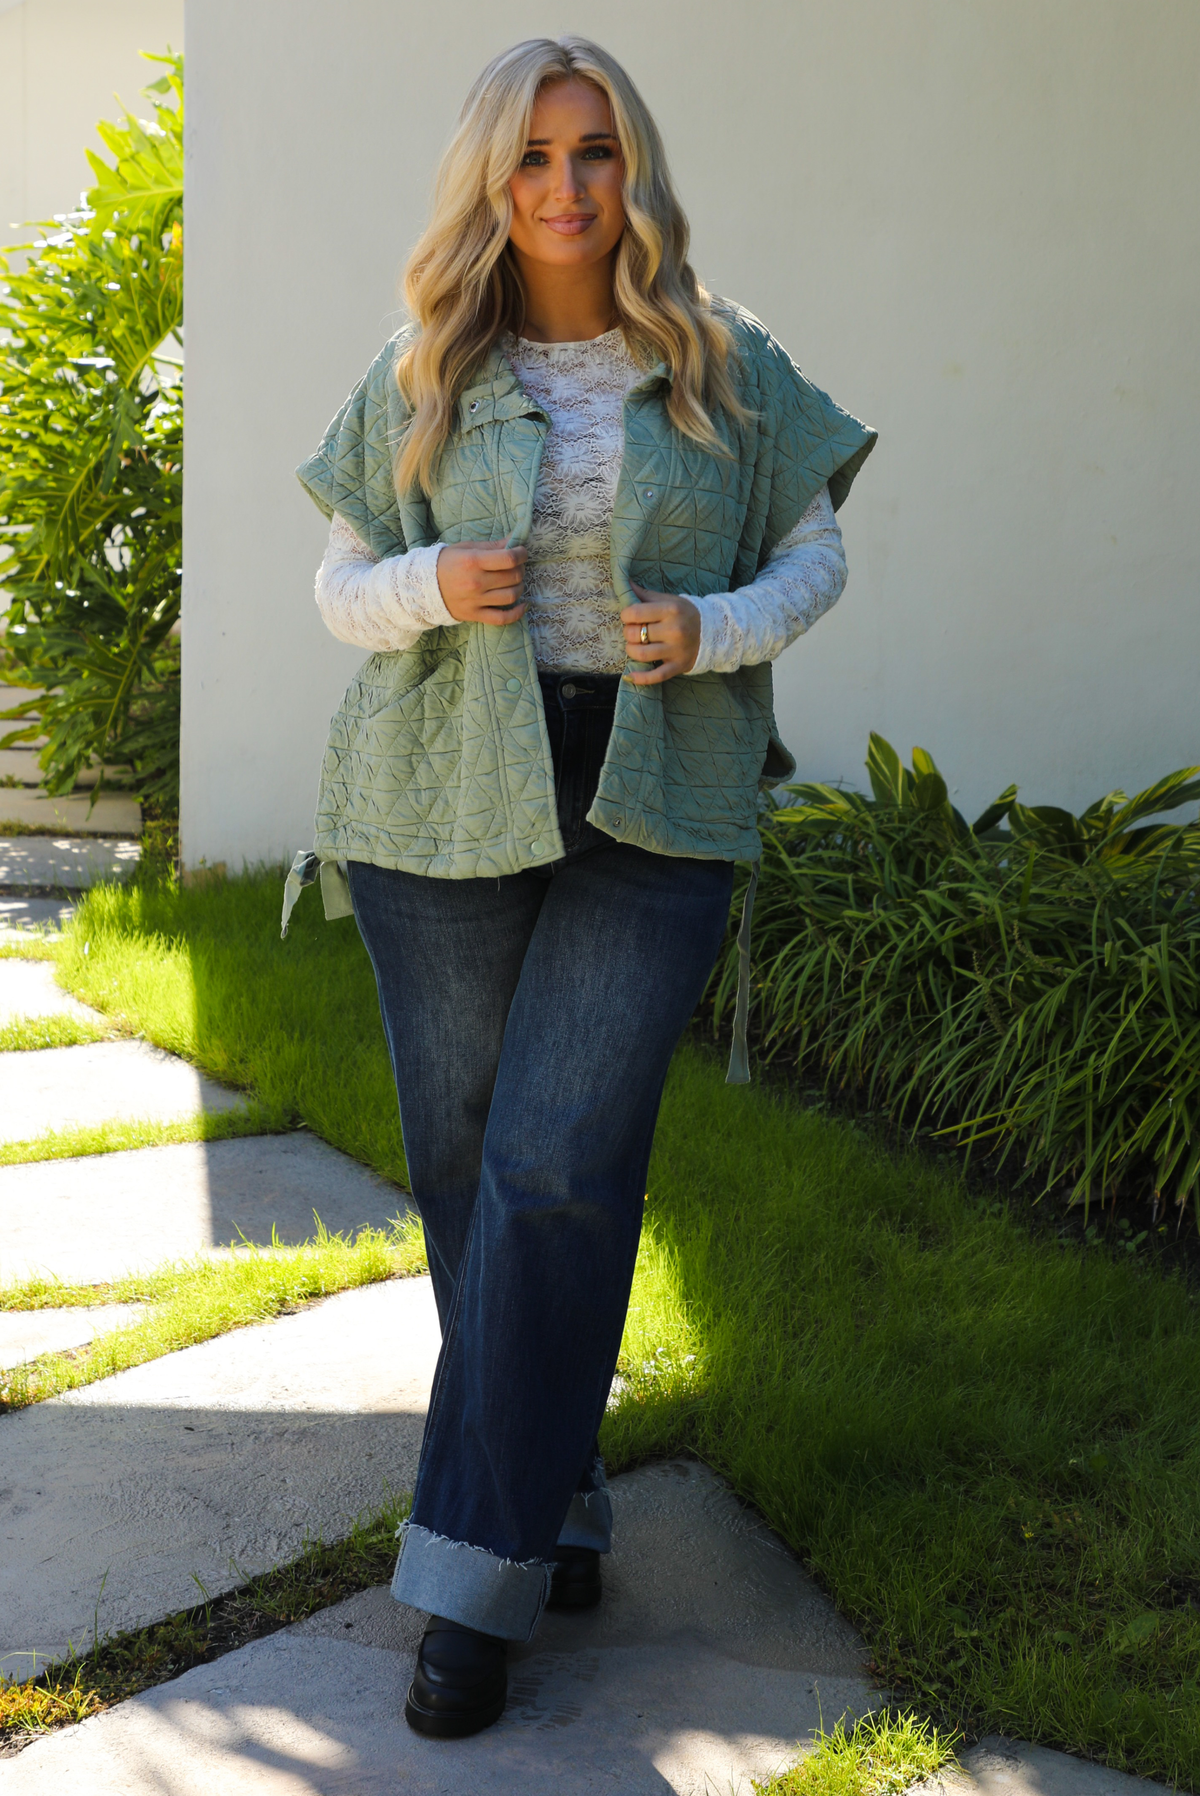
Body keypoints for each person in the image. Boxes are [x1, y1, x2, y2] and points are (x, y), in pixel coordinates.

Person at [289, 34, 875, 1740]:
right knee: (476, 1171)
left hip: (652, 787)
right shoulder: (422, 364)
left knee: (557, 1158)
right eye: (534, 157)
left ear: (634, 170)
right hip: (441, 793)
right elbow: (335, 579)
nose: (564, 188)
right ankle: (561, 1498)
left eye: (594, 152)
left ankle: (472, 1581)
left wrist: (718, 630)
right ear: (492, 177)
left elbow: (817, 550)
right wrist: (422, 582)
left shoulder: (722, 357)